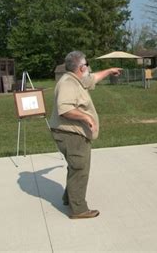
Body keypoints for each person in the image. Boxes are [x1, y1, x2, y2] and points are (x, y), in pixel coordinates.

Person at [49, 51, 122, 219]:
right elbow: (64, 108)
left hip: (72, 134)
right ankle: (79, 209)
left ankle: (69, 198)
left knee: (75, 166)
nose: (89, 69)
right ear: (82, 67)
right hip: (70, 135)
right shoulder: (68, 83)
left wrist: (109, 70)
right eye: (87, 66)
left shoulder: (77, 79)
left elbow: (93, 78)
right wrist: (86, 117)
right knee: (80, 169)